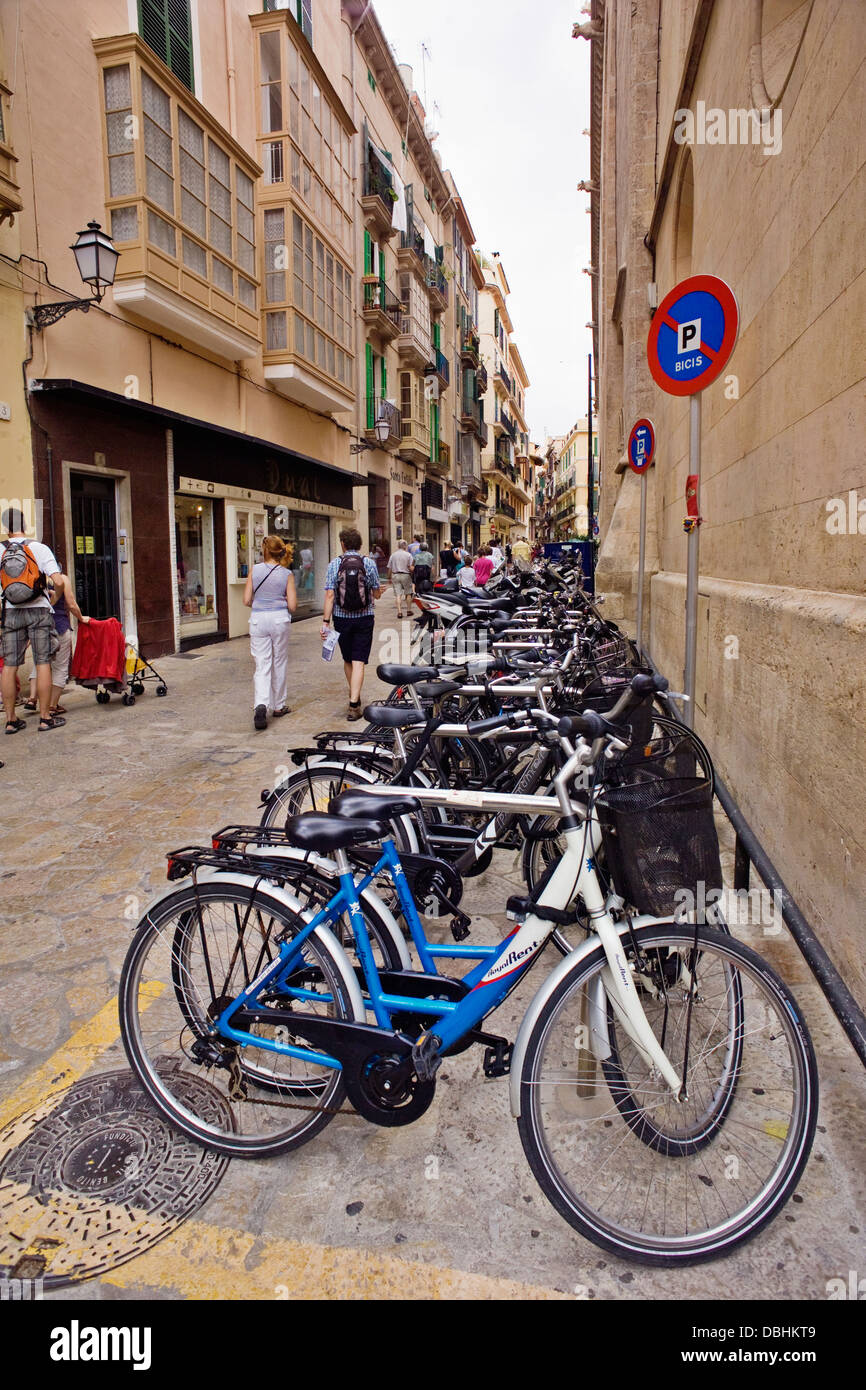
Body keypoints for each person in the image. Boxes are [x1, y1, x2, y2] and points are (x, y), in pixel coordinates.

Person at [0, 507, 66, 733]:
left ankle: (10, 720)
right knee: (43, 662)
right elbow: (58, 581)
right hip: (39, 610)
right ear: (24, 524)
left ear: (5, 528)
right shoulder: (38, 547)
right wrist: (53, 598)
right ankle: (46, 717)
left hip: (10, 612)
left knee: (9, 666)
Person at [321, 527, 381, 721]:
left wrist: (325, 622)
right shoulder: (369, 563)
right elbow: (376, 593)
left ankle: (354, 697)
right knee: (359, 660)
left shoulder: (335, 564)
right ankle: (354, 702)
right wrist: (379, 592)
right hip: (365, 618)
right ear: (360, 544)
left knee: (348, 659)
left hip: (341, 618)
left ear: (343, 544)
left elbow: (330, 595)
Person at [243, 534, 297, 731]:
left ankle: (261, 704)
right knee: (279, 661)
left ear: (264, 551)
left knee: (261, 663)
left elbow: (246, 600)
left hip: (258, 619)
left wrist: (260, 602)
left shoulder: (255, 570)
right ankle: (279, 705)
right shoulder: (286, 574)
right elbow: (292, 605)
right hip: (279, 619)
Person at [24, 572, 89, 717]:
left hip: (38, 627)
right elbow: (71, 603)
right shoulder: (61, 579)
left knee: (39, 664)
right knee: (60, 667)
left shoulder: (33, 578)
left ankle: (32, 699)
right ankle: (52, 706)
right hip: (59, 626)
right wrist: (80, 617)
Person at [387, 540, 413, 619]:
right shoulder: (409, 555)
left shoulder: (393, 555)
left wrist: (388, 577)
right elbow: (411, 567)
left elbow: (390, 568)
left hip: (395, 575)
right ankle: (408, 610)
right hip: (406, 575)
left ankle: (399, 612)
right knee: (408, 593)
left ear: (398, 546)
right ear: (405, 546)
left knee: (398, 595)